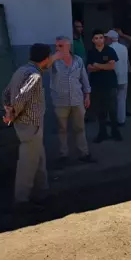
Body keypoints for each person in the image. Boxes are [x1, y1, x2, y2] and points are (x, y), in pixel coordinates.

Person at [2, 44, 53, 211]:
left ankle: (42, 193)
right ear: (45, 58)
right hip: (30, 125)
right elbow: (21, 97)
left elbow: (6, 93)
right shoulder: (34, 75)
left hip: (27, 124)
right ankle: (22, 200)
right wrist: (12, 113)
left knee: (39, 160)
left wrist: (8, 109)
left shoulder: (21, 70)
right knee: (28, 163)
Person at [50, 36, 94, 166]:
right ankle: (64, 154)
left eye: (61, 46)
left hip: (77, 99)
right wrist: (53, 57)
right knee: (62, 129)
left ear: (68, 46)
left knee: (79, 127)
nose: (57, 48)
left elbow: (84, 78)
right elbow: (43, 68)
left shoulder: (78, 60)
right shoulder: (54, 61)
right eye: (56, 46)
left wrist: (87, 95)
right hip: (60, 100)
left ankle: (84, 153)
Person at [86, 29, 122, 143]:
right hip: (96, 84)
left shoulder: (109, 50)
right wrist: (103, 66)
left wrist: (97, 65)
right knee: (100, 110)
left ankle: (115, 132)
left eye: (101, 37)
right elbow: (89, 68)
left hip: (110, 83)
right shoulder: (91, 52)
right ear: (93, 40)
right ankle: (102, 133)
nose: (99, 40)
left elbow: (111, 67)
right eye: (96, 38)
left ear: (104, 39)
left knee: (112, 109)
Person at [106, 30, 130, 126]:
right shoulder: (124, 48)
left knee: (111, 100)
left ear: (110, 39)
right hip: (124, 77)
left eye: (107, 38)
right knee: (122, 99)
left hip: (112, 77)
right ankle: (121, 120)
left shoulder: (108, 48)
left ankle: (112, 120)